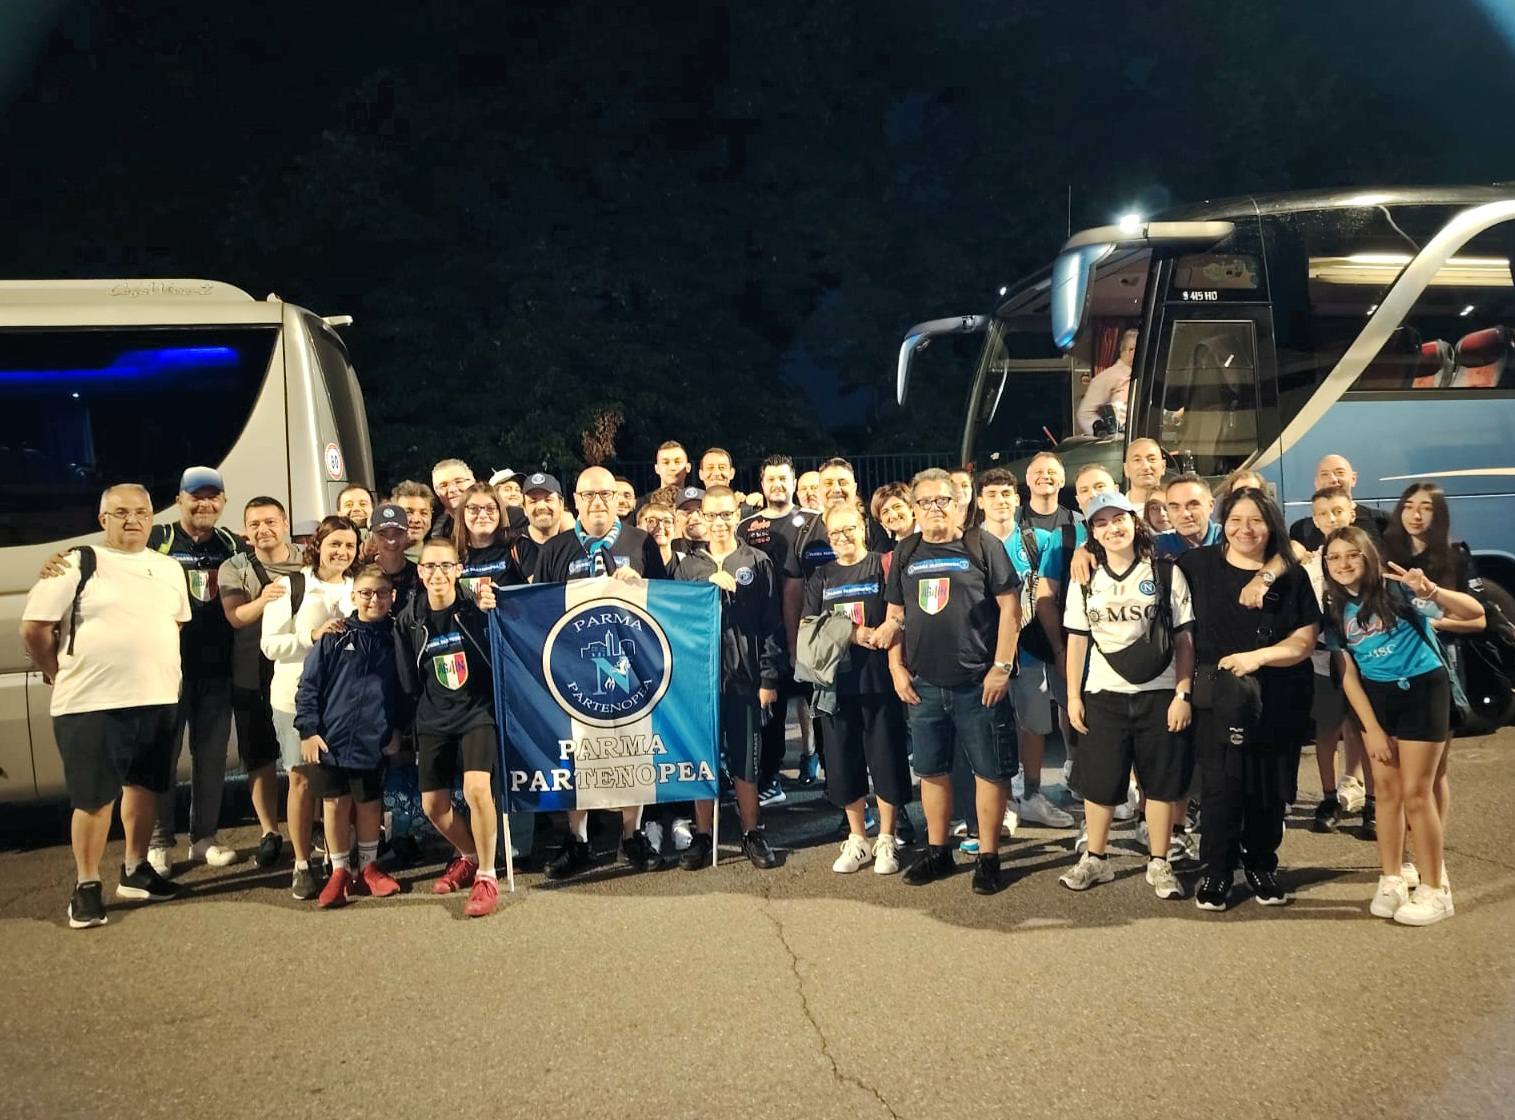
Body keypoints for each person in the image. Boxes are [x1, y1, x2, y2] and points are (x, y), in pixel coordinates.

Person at [20, 483, 191, 928]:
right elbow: (34, 629)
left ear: (152, 518)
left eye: (141, 512)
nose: (132, 520)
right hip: (92, 702)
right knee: (94, 799)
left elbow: (173, 624)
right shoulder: (76, 563)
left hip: (157, 697)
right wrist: (56, 670)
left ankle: (135, 871)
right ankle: (86, 885)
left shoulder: (169, 568)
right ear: (103, 519)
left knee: (146, 788)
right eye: (121, 512)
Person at [1323, 527, 1481, 925]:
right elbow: (1348, 675)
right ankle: (1392, 877)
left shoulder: (1397, 590)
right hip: (1378, 701)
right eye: (1334, 557)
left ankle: (1435, 888)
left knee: (1416, 793)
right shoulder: (1335, 609)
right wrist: (1372, 728)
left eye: (1352, 555)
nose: (1343, 563)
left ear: (1368, 557)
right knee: (1387, 794)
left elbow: (1474, 615)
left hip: (1423, 692)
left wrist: (1431, 591)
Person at [1178, 488, 1319, 911]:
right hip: (1219, 699)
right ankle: (1217, 872)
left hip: (1279, 695)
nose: (1246, 529)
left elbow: (1305, 640)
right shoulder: (1196, 566)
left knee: (1269, 789)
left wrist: (1257, 658)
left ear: (1271, 525)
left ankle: (1261, 866)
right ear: (1223, 523)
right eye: (1236, 520)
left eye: (1256, 520)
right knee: (1220, 788)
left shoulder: (1291, 576)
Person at [881, 468, 1022, 895]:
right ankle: (938, 851)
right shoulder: (906, 551)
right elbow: (895, 616)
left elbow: (1010, 609)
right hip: (923, 684)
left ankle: (989, 857)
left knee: (989, 772)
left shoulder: (983, 545)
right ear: (914, 508)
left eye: (942, 500)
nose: (934, 508)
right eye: (924, 502)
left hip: (978, 682)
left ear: (959, 503)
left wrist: (1002, 666)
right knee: (931, 771)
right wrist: (896, 668)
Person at [1059, 493, 1195, 900]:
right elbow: (1077, 640)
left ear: (1135, 522)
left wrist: (1182, 693)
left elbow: (1185, 638)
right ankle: (1096, 858)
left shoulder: (1166, 573)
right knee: (1100, 784)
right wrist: (1073, 696)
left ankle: (1160, 860)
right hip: (1104, 694)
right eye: (1101, 523)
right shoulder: (1084, 578)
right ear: (1092, 533)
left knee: (1160, 784)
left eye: (1118, 519)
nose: (1112, 528)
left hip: (1160, 693)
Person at [534, 465, 667, 880]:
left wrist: (638, 584)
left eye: (605, 494)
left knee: (631, 747)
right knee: (579, 753)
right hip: (573, 670)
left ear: (618, 499)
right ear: (575, 500)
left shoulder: (641, 542)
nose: (597, 502)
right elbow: (537, 608)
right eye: (588, 494)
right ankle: (578, 838)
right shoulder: (555, 549)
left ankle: (632, 834)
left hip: (629, 667)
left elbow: (665, 601)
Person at [673, 485, 785, 869]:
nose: (719, 522)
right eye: (711, 515)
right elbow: (675, 621)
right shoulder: (688, 567)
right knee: (702, 757)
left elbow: (771, 624)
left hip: (745, 678)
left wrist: (768, 679)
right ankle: (703, 835)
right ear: (701, 518)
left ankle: (752, 832)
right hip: (699, 681)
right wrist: (707, 589)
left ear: (737, 516)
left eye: (725, 515)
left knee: (746, 758)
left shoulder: (756, 561)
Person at [396, 539, 508, 917]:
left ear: (459, 569)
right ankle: (469, 855)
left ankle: (487, 876)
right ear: (420, 572)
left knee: (476, 789)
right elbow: (406, 678)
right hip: (433, 717)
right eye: (430, 566)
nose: (438, 574)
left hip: (477, 712)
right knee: (433, 807)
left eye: (446, 566)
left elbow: (504, 632)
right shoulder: (410, 618)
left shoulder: (476, 606)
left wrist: (491, 606)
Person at [146, 466, 246, 873]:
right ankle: (158, 844)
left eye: (212, 497)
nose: (205, 504)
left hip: (217, 671)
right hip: (167, 671)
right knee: (161, 760)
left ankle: (204, 839)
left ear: (223, 502)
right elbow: (110, 555)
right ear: (179, 500)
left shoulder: (231, 544)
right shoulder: (158, 539)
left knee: (211, 759)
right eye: (196, 496)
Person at [803, 503, 912, 874]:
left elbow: (903, 609)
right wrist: (852, 633)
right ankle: (858, 838)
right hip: (836, 685)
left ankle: (887, 837)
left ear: (863, 527)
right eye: (835, 532)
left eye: (848, 529)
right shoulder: (821, 576)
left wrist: (891, 628)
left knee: (887, 760)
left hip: (879, 681)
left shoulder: (884, 566)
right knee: (843, 763)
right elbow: (808, 627)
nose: (842, 537)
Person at [260, 515, 360, 899]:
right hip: (295, 700)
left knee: (337, 785)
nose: (342, 552)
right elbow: (270, 645)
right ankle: (301, 863)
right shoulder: (290, 586)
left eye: (349, 545)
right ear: (318, 545)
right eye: (335, 543)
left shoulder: (356, 587)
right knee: (301, 780)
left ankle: (338, 860)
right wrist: (312, 636)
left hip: (343, 702)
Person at [294, 565, 406, 909]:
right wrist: (309, 730)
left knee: (369, 804)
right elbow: (309, 686)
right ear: (354, 596)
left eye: (382, 593)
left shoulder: (396, 638)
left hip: (374, 741)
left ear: (392, 597)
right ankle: (340, 871)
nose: (374, 600)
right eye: (366, 593)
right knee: (335, 804)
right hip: (331, 740)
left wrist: (397, 731)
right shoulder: (334, 636)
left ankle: (369, 867)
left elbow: (404, 691)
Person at [1380, 481, 1486, 841]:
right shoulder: (1386, 554)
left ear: (1438, 515)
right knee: (1396, 774)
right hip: (1393, 667)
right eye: (1409, 506)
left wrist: (1435, 621)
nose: (1415, 515)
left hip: (1443, 664)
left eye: (1426, 508)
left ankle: (1433, 852)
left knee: (1435, 770)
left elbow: (1479, 619)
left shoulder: (1455, 557)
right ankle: (1405, 854)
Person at [978, 468, 1074, 830]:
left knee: (1033, 725)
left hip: (1030, 652)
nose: (1000, 501)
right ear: (979, 502)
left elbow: (1054, 591)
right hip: (985, 655)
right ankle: (1001, 803)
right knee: (990, 728)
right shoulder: (969, 543)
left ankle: (1031, 795)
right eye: (992, 495)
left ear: (1017, 500)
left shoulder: (1040, 539)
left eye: (1006, 494)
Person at [218, 496, 303, 869]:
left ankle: (313, 823)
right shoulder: (234, 567)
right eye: (254, 524)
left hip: (297, 665)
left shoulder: (307, 557)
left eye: (270, 521)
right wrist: (265, 599)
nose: (263, 530)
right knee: (259, 754)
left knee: (305, 751)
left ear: (285, 523)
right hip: (251, 668)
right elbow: (236, 616)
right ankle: (269, 831)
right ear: (246, 531)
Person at [736, 454, 818, 789]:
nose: (777, 484)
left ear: (794, 481)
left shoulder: (814, 521)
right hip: (766, 635)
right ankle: (770, 780)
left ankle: (833, 782)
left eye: (783, 478)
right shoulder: (746, 527)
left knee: (818, 708)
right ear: (762, 483)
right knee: (770, 710)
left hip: (809, 631)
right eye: (771, 479)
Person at [1297, 487, 1371, 835]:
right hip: (1323, 661)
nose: (1332, 519)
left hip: (1366, 659)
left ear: (1352, 513)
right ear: (1314, 520)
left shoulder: (1367, 560)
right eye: (1324, 514)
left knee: (1365, 728)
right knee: (1326, 730)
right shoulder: (1310, 566)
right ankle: (1328, 797)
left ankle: (1373, 799)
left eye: (1338, 511)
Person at [1288, 455, 1391, 549]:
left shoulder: (1382, 521)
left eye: (1340, 473)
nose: (1333, 479)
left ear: (1353, 479)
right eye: (1325, 474)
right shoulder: (1300, 530)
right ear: (1316, 482)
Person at [452, 481, 528, 593]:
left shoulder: (519, 546)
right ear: (462, 513)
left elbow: (539, 593)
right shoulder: (450, 554)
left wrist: (502, 596)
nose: (483, 515)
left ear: (500, 512)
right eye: (473, 508)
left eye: (491, 508)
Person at [1076, 327, 1137, 435]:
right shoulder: (1108, 377)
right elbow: (1085, 414)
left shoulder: (1145, 378)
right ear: (1129, 350)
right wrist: (1107, 436)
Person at [1154, 473, 1223, 558]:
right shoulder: (1156, 546)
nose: (1185, 514)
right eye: (1175, 507)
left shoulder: (1230, 540)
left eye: (1193, 505)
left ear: (1211, 506)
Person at [518, 472, 566, 575]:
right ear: (524, 508)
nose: (541, 507)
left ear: (561, 504)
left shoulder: (577, 542)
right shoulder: (514, 547)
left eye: (548, 499)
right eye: (533, 501)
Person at [1022, 453, 1082, 532]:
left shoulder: (1078, 523)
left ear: (1062, 480)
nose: (1045, 476)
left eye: (1052, 472)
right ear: (1027, 479)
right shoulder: (1012, 519)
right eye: (1038, 472)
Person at [430, 458, 476, 542]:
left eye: (459, 481)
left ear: (473, 482)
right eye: (444, 485)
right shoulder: (439, 532)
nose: (452, 489)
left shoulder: (494, 519)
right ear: (437, 493)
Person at [390, 480, 436, 556]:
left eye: (424, 513)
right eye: (408, 512)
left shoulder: (440, 557)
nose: (416, 519)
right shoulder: (377, 558)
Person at [1122, 437, 1166, 510]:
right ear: (1126, 469)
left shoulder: (1175, 510)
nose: (1145, 467)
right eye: (1137, 460)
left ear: (1163, 466)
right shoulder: (1115, 511)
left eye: (1152, 459)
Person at [637, 499, 678, 571]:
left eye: (667, 521)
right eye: (651, 521)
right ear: (638, 527)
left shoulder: (685, 563)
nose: (660, 527)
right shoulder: (631, 563)